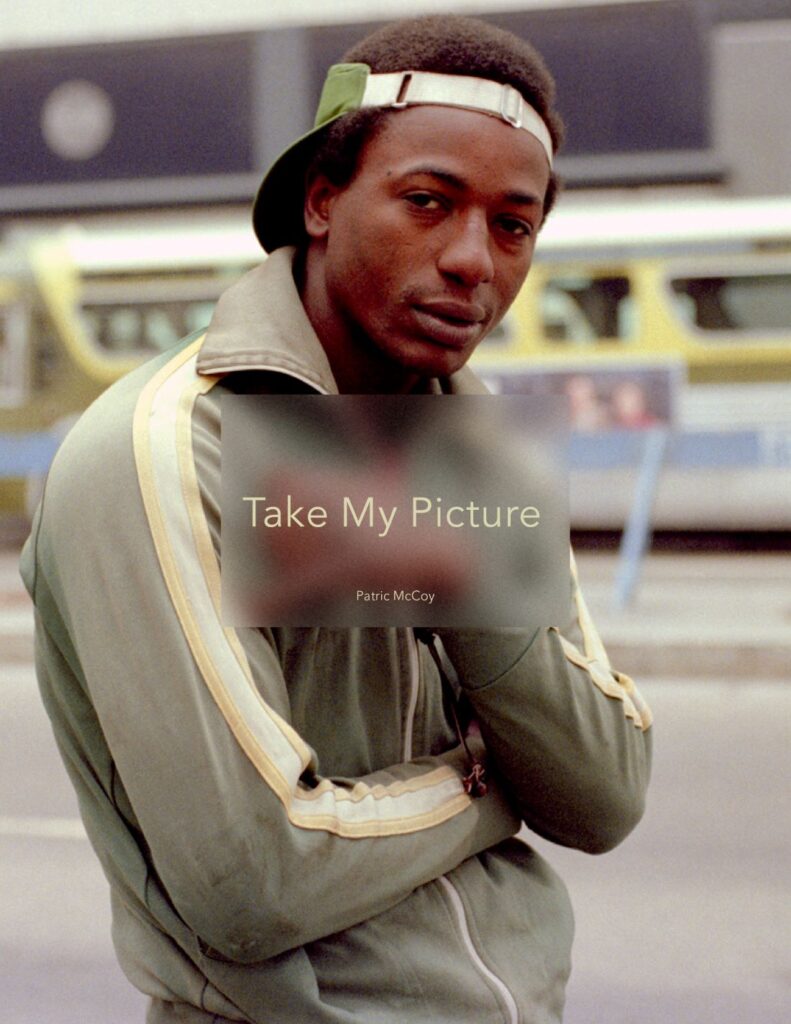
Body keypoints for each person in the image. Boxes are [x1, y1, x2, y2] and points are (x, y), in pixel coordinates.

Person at [20, 15, 652, 1024]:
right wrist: (485, 787)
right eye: (426, 201)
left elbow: (602, 795)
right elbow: (252, 879)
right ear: (320, 201)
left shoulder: (471, 446)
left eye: (511, 224)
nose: (470, 260)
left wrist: (453, 551)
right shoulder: (169, 449)